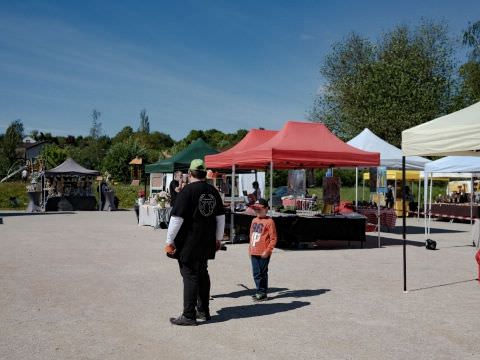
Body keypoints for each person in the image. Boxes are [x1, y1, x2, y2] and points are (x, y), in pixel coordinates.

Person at [165, 159, 225, 326]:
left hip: (189, 241)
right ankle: (203, 310)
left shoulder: (187, 191)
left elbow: (176, 218)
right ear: (205, 174)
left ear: (190, 174)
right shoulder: (213, 191)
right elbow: (221, 218)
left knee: (190, 275)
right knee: (202, 273)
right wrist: (218, 239)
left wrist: (169, 241)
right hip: (207, 240)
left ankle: (189, 315)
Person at [248, 198, 277, 301]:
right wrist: (250, 249)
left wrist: (268, 250)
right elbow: (251, 235)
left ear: (266, 209)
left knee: (262, 273)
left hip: (264, 252)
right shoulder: (254, 220)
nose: (257, 211)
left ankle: (262, 292)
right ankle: (259, 290)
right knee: (256, 273)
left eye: (259, 209)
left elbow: (273, 238)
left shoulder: (269, 222)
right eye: (255, 209)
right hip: (254, 252)